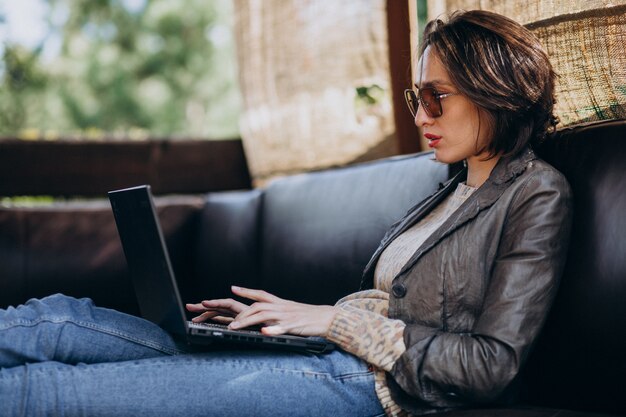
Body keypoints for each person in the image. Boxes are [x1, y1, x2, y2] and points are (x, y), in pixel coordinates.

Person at [0, 9, 572, 417]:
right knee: (57, 319)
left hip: (372, 387)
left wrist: (329, 321)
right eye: (414, 97)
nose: (422, 113)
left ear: (493, 88)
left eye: (435, 96)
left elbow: (492, 366)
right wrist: (287, 321)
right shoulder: (449, 186)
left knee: (49, 393)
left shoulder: (536, 193)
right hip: (326, 353)